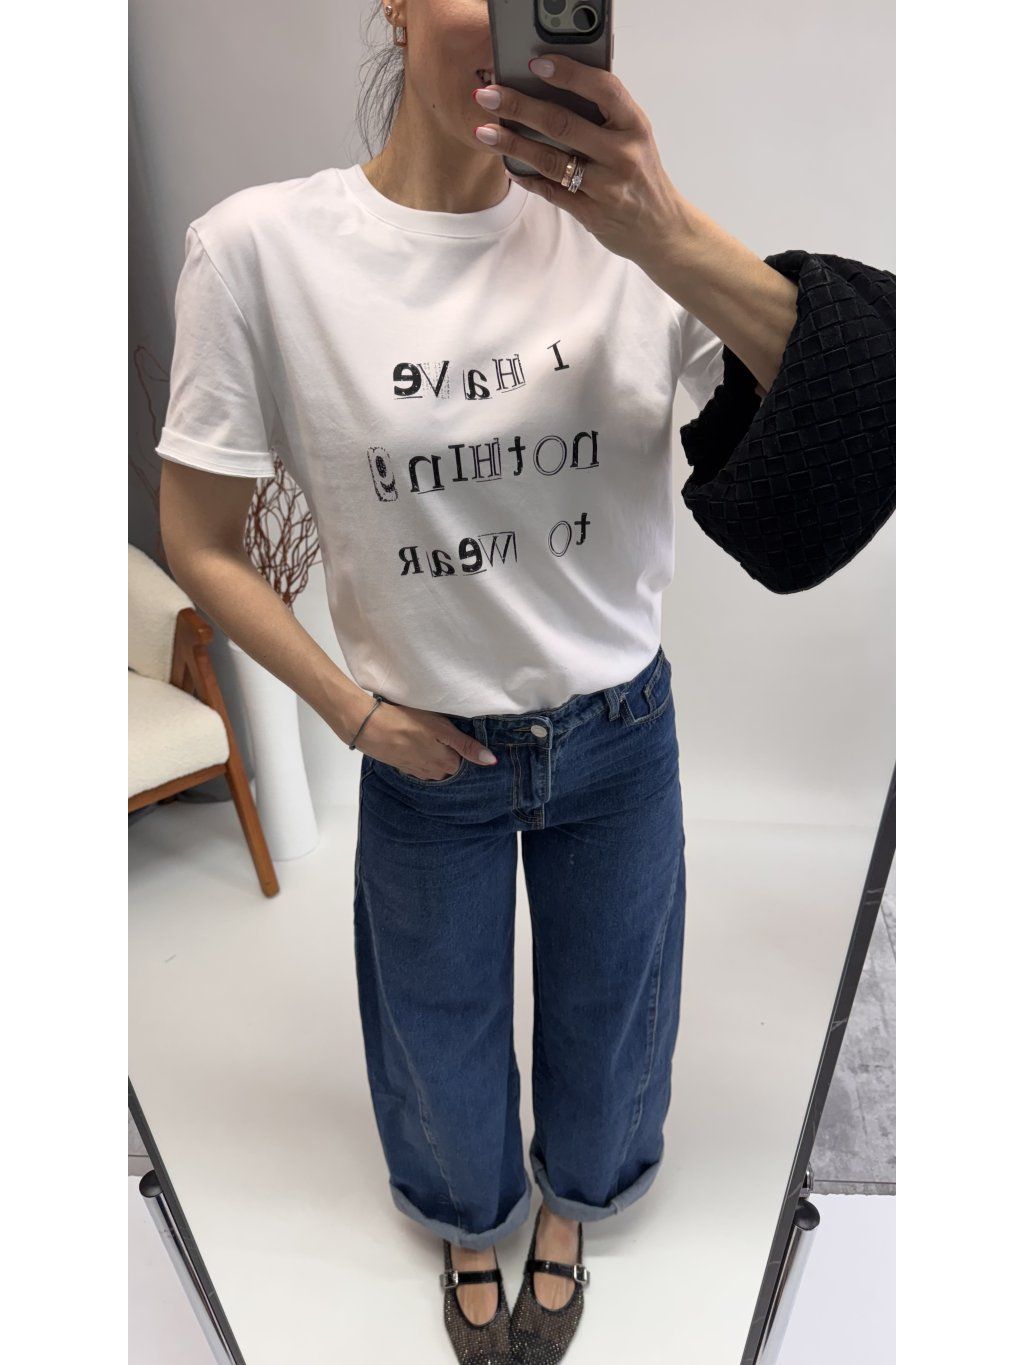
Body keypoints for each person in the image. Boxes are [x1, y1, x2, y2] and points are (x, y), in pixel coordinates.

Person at [156, 5, 801, 1361]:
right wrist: (351, 713)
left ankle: (574, 1203)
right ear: (396, 3)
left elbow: (844, 412)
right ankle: (468, 1216)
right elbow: (198, 541)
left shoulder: (628, 237)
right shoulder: (261, 252)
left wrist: (664, 230)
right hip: (421, 747)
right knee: (435, 1027)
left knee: (611, 1012)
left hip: (618, 729)